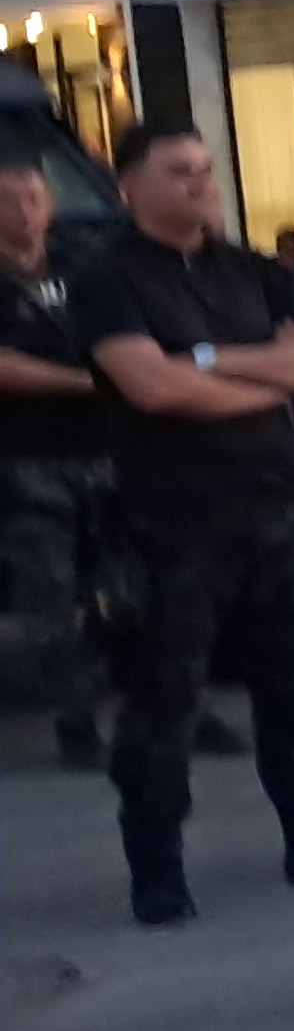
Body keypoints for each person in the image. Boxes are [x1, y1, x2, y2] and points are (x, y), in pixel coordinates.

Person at [67, 127, 294, 922]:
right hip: (174, 519)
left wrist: (207, 360)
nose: (201, 183)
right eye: (179, 172)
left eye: (205, 169)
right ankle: (157, 868)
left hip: (277, 506)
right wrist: (268, 376)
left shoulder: (250, 269)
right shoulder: (107, 277)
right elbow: (151, 388)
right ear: (130, 187)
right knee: (164, 696)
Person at [0, 156, 113, 766]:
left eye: (35, 199)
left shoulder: (83, 266)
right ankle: (77, 725)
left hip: (105, 451)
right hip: (26, 461)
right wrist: (84, 381)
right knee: (51, 597)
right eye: (10, 202)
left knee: (135, 585)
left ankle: (173, 710)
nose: (26, 212)